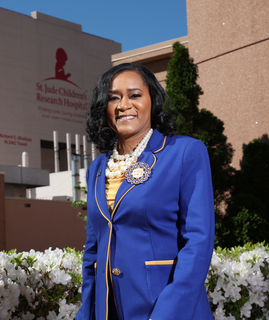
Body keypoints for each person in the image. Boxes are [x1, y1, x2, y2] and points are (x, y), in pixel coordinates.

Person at [77, 63, 215, 320]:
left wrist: (166, 315)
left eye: (135, 95)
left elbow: (198, 242)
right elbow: (93, 251)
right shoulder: (96, 167)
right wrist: (86, 313)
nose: (123, 104)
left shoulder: (185, 152)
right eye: (113, 98)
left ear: (153, 101)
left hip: (167, 310)